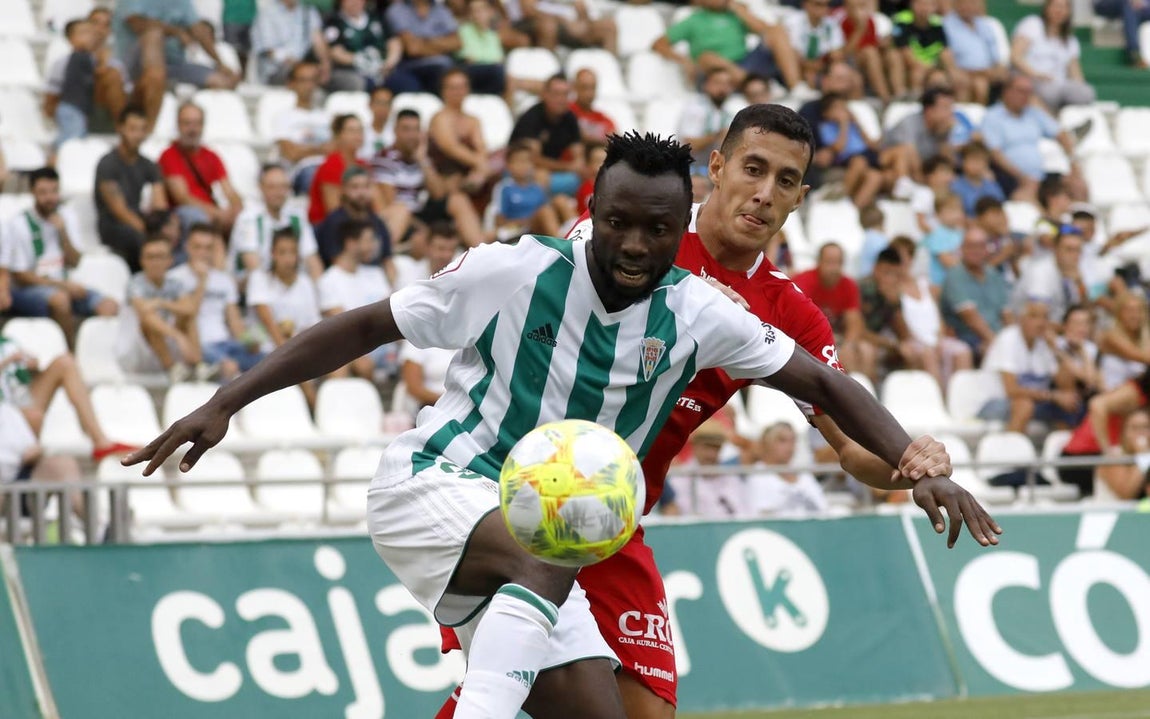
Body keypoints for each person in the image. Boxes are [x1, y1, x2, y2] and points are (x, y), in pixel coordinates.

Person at [129, 129, 996, 719]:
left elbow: (825, 389)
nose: (631, 244)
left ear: (675, 229)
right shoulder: (516, 270)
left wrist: (920, 461)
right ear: (594, 209)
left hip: (585, 520)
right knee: (543, 542)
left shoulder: (709, 311)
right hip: (443, 483)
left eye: (652, 230)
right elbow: (362, 325)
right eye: (615, 222)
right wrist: (223, 402)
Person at [1, 168, 118, 349]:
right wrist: (63, 286)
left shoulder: (66, 217)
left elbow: (75, 261)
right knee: (60, 300)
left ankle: (96, 354)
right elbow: (21, 276)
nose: (50, 198)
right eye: (43, 192)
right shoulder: (18, 224)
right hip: (29, 290)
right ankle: (70, 352)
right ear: (32, 192)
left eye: (54, 191)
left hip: (62, 284)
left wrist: (63, 233)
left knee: (109, 305)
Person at [0, 334, 136, 463]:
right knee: (34, 417)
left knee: (65, 362)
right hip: (6, 415)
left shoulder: (6, 341)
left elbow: (22, 380)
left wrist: (31, 366)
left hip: (17, 402)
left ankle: (100, 440)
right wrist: (8, 361)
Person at [374, 108, 488, 248]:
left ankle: (481, 249)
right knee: (402, 209)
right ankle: (385, 255)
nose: (411, 135)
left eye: (415, 129)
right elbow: (391, 204)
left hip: (421, 212)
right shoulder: (384, 159)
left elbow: (439, 194)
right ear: (395, 131)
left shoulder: (422, 156)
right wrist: (425, 231)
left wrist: (422, 160)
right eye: (406, 129)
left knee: (458, 199)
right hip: (402, 219)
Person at [169, 225, 263, 382]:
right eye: (197, 247)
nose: (203, 253)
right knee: (228, 368)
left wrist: (250, 342)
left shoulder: (224, 280)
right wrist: (202, 281)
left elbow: (235, 322)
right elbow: (187, 316)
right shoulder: (175, 278)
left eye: (208, 248)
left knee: (268, 361)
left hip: (225, 343)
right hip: (198, 345)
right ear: (187, 247)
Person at [980, 300, 1083, 433]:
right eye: (1034, 316)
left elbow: (1065, 383)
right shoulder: (1008, 338)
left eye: (1045, 317)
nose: (1041, 323)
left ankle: (1066, 452)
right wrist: (1054, 396)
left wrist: (1056, 349)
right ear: (1021, 319)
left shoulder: (1043, 343)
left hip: (1035, 401)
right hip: (994, 403)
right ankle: (1012, 451)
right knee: (1024, 405)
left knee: (1072, 404)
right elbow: (1011, 390)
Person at [652, 0, 802, 90]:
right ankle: (751, 83)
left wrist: (738, 9)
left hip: (745, 63)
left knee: (777, 30)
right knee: (707, 56)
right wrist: (684, 61)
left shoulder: (736, 15)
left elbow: (766, 32)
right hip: (714, 73)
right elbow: (659, 44)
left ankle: (795, 86)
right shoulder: (693, 20)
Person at [247, 228, 322, 405]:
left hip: (297, 347)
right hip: (261, 347)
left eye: (292, 252)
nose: (288, 258)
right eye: (282, 252)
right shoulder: (259, 278)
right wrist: (291, 351)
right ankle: (315, 407)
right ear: (273, 254)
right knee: (298, 369)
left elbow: (312, 324)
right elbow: (268, 323)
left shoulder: (305, 283)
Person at [982, 73, 1082, 202]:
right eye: (1021, 91)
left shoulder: (1033, 113)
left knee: (1077, 185)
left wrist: (1074, 165)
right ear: (1007, 91)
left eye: (1029, 92)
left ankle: (1080, 220)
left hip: (1039, 175)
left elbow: (1061, 134)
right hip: (1009, 176)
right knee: (1030, 193)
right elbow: (995, 153)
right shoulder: (992, 117)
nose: (1025, 96)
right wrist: (1021, 176)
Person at [115, 236, 203, 382]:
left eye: (161, 257)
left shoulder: (174, 283)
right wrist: (178, 336)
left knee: (187, 317)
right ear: (142, 261)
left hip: (163, 345)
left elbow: (190, 309)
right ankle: (173, 369)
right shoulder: (135, 283)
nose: (155, 262)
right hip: (136, 348)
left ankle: (198, 365)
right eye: (150, 257)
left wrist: (162, 303)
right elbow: (143, 313)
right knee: (149, 318)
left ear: (170, 260)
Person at [96, 106, 169, 273]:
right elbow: (118, 210)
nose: (138, 135)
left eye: (142, 129)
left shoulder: (149, 165)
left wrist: (163, 226)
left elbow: (160, 204)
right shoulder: (108, 164)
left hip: (139, 220)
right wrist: (149, 234)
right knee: (139, 239)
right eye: (133, 129)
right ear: (120, 128)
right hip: (112, 225)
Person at [318, 219, 393, 379]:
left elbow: (390, 315)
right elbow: (343, 325)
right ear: (351, 243)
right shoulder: (329, 280)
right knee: (359, 364)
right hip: (353, 347)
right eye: (368, 240)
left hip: (385, 347)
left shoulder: (376, 274)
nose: (374, 246)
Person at [793, 242, 876, 382]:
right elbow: (798, 322)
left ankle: (866, 390)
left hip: (837, 336)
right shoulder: (803, 282)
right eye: (830, 262)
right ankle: (849, 393)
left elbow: (854, 321)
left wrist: (849, 344)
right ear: (819, 262)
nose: (835, 268)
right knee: (840, 355)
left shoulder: (848, 285)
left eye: (838, 263)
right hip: (808, 339)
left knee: (867, 351)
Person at [113, 0, 240, 91]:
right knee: (154, 35)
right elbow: (136, 23)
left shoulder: (183, 2)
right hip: (133, 65)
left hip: (173, 65)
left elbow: (199, 30)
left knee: (223, 81)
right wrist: (176, 31)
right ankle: (154, 80)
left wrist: (221, 64)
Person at [158, 103, 244, 236]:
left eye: (197, 123)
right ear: (178, 125)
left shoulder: (212, 156)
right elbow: (182, 198)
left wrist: (236, 209)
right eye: (187, 123)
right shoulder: (169, 155)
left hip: (213, 213)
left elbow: (230, 191)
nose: (192, 129)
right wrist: (217, 213)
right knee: (198, 218)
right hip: (185, 214)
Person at [229, 164, 323, 284]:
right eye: (271, 187)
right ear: (260, 188)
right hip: (251, 289)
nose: (278, 193)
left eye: (283, 187)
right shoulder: (248, 218)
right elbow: (253, 266)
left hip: (290, 286)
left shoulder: (297, 217)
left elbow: (312, 261)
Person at [940, 225, 1013, 356]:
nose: (976, 251)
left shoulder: (994, 275)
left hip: (999, 336)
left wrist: (1014, 340)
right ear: (962, 248)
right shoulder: (955, 276)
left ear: (987, 249)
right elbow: (970, 318)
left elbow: (1006, 313)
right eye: (971, 246)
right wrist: (997, 343)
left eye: (980, 246)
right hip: (970, 337)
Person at [1011, 0, 1096, 112]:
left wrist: (1080, 88)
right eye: (1056, 6)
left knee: (1086, 93)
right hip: (1033, 81)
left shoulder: (1070, 40)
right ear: (1047, 8)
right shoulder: (1032, 24)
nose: (1059, 11)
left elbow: (1076, 73)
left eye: (1064, 7)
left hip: (1059, 86)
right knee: (1048, 91)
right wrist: (1036, 74)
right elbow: (1015, 56)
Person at [509, 75, 584, 198]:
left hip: (555, 172)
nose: (561, 99)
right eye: (556, 94)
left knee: (587, 176)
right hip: (522, 169)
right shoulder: (531, 118)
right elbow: (533, 159)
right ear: (544, 94)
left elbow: (578, 156)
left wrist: (578, 165)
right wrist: (568, 167)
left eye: (565, 94)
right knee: (540, 176)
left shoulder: (570, 118)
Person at [427, 69, 495, 198]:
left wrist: (480, 170)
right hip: (444, 176)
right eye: (453, 88)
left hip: (471, 173)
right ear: (443, 91)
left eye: (462, 87)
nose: (458, 92)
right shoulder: (440, 118)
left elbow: (481, 147)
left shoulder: (473, 120)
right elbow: (451, 148)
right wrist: (482, 165)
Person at [314, 166, 394, 275]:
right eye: (355, 187)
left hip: (375, 279)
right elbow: (336, 264)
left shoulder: (377, 221)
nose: (361, 193)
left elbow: (387, 260)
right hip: (346, 280)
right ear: (343, 190)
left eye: (366, 187)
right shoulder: (334, 222)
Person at [273, 61, 335, 197]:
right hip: (301, 171)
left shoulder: (326, 116)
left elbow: (336, 148)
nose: (308, 86)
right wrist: (320, 149)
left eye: (312, 80)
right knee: (317, 176)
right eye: (303, 80)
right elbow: (291, 154)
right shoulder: (283, 117)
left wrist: (305, 149)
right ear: (292, 84)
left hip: (329, 168)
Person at [746, 422, 829, 517]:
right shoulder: (757, 475)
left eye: (793, 441)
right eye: (782, 440)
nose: (790, 446)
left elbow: (823, 507)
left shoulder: (804, 474)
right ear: (767, 443)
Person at [667, 420, 746, 518]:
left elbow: (743, 511)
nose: (711, 454)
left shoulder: (731, 477)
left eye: (716, 448)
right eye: (706, 447)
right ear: (695, 446)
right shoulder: (680, 479)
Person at [492, 141, 571, 238]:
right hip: (520, 231)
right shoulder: (504, 188)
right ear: (508, 165)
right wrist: (525, 221)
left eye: (527, 161)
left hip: (540, 228)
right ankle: (562, 245)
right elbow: (498, 221)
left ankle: (579, 235)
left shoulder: (537, 187)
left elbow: (549, 212)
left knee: (560, 199)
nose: (523, 165)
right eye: (519, 161)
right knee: (545, 212)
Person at [323, 0, 401, 92]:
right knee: (363, 84)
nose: (355, 2)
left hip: (383, 68)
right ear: (341, 2)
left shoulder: (377, 17)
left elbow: (394, 42)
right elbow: (335, 51)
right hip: (351, 70)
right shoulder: (334, 22)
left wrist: (389, 62)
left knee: (404, 82)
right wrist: (359, 60)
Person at [45, 19, 100, 149]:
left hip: (83, 110)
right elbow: (52, 94)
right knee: (70, 140)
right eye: (83, 33)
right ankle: (54, 160)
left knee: (78, 139)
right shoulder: (64, 62)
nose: (89, 37)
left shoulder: (94, 59)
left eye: (91, 32)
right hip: (70, 107)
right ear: (70, 38)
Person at [888, 0, 960, 99]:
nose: (924, 8)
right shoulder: (902, 19)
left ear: (934, 7)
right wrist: (924, 67)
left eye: (928, 5)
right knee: (915, 72)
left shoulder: (938, 23)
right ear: (912, 5)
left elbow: (945, 49)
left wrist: (952, 71)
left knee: (942, 77)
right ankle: (903, 97)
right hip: (910, 65)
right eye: (921, 4)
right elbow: (904, 50)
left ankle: (948, 102)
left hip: (931, 65)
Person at [308, 114, 371, 225]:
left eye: (360, 130)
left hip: (357, 223)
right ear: (339, 135)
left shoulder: (363, 164)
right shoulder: (331, 165)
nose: (358, 135)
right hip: (329, 227)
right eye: (351, 131)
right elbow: (334, 211)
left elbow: (375, 202)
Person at [251, 0, 333, 86]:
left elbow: (318, 40)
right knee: (304, 75)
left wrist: (325, 64)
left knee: (326, 74)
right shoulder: (267, 12)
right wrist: (298, 65)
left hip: (304, 64)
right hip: (276, 70)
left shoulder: (308, 11)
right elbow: (269, 51)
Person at [942, 0, 1008, 104]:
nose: (968, 6)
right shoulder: (945, 25)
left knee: (1013, 82)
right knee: (977, 85)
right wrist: (978, 72)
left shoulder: (985, 25)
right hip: (963, 73)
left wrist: (998, 69)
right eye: (964, 3)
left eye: (972, 3)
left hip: (987, 73)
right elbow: (945, 55)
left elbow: (996, 56)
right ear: (955, 4)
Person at [678, 68, 737, 173]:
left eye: (727, 84)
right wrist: (719, 135)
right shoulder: (695, 108)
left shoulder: (729, 113)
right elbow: (690, 145)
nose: (722, 88)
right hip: (690, 168)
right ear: (706, 85)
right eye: (717, 82)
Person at [785, 0, 846, 87]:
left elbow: (837, 55)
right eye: (818, 4)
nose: (823, 9)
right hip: (800, 67)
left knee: (844, 73)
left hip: (823, 67)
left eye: (826, 5)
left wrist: (825, 65)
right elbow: (793, 55)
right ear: (806, 5)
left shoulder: (831, 24)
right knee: (809, 74)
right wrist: (813, 65)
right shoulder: (793, 22)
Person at [1098, 293, 1150, 392]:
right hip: (1110, 393)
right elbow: (1140, 356)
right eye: (1130, 311)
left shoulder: (1145, 336)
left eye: (1139, 310)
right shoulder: (1111, 336)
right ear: (1119, 313)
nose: (1135, 315)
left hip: (1135, 395)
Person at [951, 140, 1005, 217]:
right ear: (963, 162)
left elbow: (1000, 207)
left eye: (981, 160)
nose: (976, 164)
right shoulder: (955, 186)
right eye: (973, 160)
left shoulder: (992, 186)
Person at [923, 192, 966, 288]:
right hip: (942, 285)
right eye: (951, 211)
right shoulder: (937, 235)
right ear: (937, 215)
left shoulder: (961, 232)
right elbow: (946, 261)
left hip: (959, 282)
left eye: (959, 209)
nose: (957, 214)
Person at [1093, 0, 1150, 68]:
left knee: (1132, 8)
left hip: (1142, 6)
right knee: (1129, 6)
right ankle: (1134, 53)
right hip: (1107, 3)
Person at [569, 68, 616, 146]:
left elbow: (615, 137)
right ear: (574, 87)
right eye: (584, 87)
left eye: (593, 88)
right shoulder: (567, 112)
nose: (589, 93)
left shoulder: (601, 117)